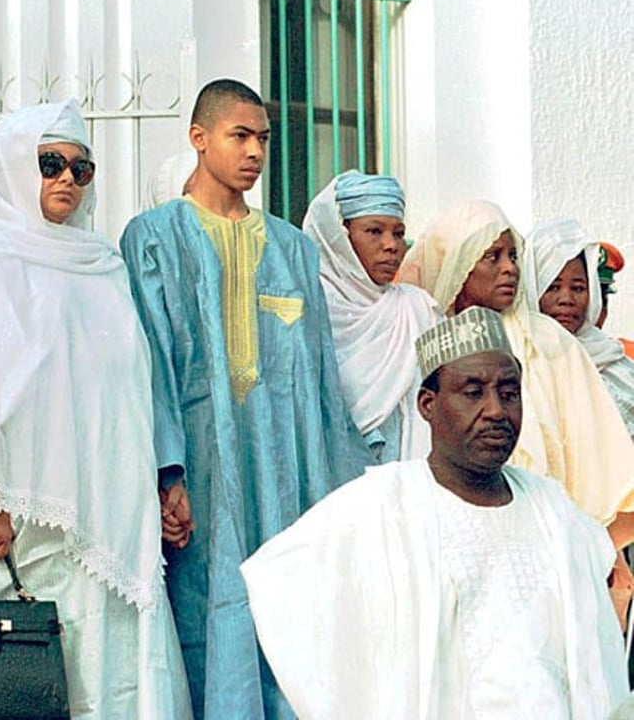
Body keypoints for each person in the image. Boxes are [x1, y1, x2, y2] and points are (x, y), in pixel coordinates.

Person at [0, 100, 193, 719]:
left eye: (80, 168)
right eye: (49, 163)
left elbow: (125, 386)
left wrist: (152, 481)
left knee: (100, 661)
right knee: (15, 673)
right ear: (13, 167)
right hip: (17, 515)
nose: (66, 178)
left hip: (103, 507)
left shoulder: (102, 264)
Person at [241, 306, 628, 719]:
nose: (496, 410)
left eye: (509, 392)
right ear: (428, 404)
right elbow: (282, 589)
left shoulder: (555, 511)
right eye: (473, 392)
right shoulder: (381, 506)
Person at [119, 79, 366, 719]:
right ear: (199, 139)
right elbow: (152, 367)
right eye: (239, 135)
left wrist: (333, 494)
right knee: (207, 606)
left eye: (262, 138)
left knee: (289, 607)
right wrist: (165, 473)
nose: (255, 151)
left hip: (284, 469)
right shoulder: (153, 238)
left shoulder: (293, 248)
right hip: (202, 467)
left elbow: (319, 381)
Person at [399, 200, 634, 584]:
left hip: (546, 541)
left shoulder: (552, 343)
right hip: (447, 538)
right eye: (492, 256)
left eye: (512, 256)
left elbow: (594, 458)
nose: (509, 268)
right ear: (458, 262)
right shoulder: (423, 339)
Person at [302, 171, 441, 462]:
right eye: (374, 231)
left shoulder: (418, 309)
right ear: (338, 237)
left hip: (409, 481)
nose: (391, 245)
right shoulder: (307, 312)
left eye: (399, 233)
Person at [525, 218, 634, 438]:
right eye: (552, 287)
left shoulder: (617, 363)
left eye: (578, 288)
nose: (566, 299)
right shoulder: (520, 359)